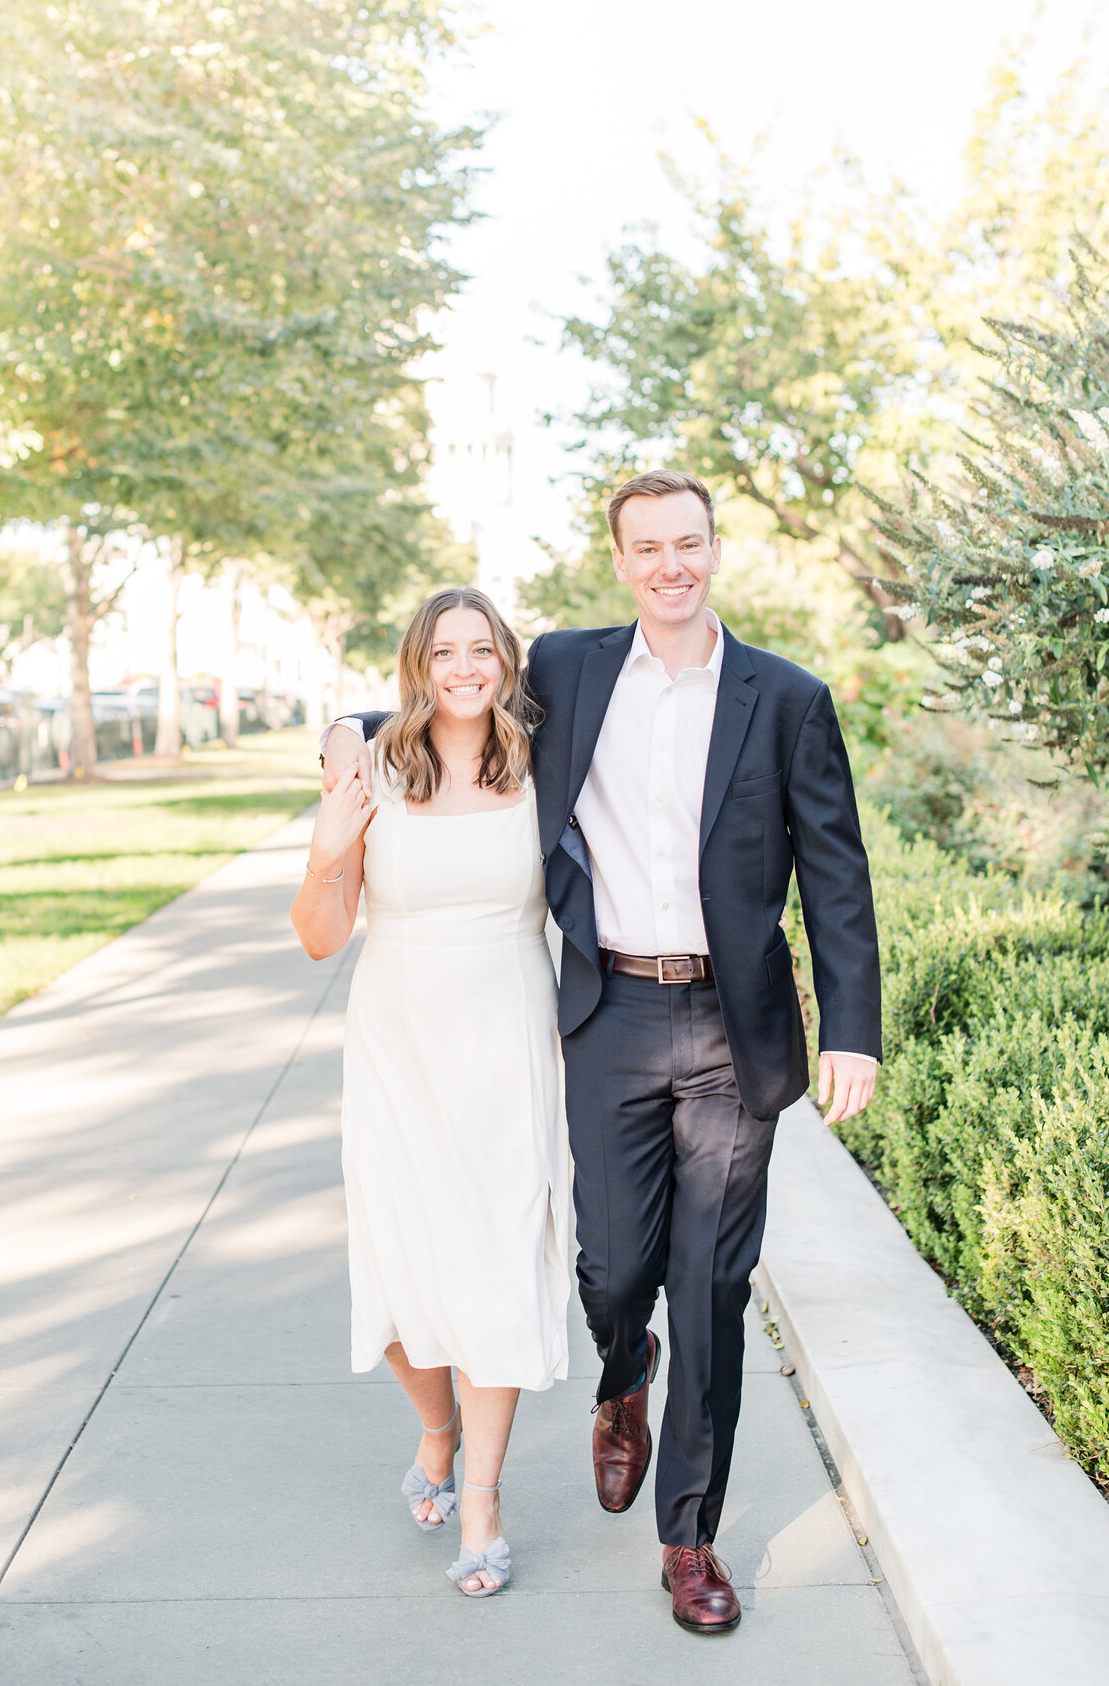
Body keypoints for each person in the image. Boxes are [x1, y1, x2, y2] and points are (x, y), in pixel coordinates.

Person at [324, 470, 881, 1635]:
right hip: (611, 1014)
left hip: (737, 1028)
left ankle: (691, 1540)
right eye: (647, 547)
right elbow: (446, 702)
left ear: (713, 551)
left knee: (712, 1287)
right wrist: (351, 730)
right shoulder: (570, 673)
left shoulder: (785, 698)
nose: (670, 564)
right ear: (620, 561)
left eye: (689, 543)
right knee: (614, 1269)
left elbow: (836, 871)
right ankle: (623, 1374)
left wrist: (855, 1031)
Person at [291, 586, 569, 1601]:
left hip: (509, 1040)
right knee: (406, 1278)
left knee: (496, 1260)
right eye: (445, 650)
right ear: (418, 662)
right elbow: (322, 935)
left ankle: (484, 1501)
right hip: (397, 1042)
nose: (464, 667)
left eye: (482, 649)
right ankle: (437, 1429)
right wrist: (328, 847)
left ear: (506, 661)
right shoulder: (374, 768)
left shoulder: (546, 762)